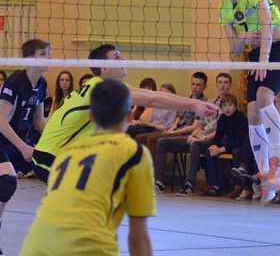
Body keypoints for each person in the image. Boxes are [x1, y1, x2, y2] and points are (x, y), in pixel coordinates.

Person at [31, 44, 218, 183]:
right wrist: (194, 105)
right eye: (117, 57)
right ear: (105, 68)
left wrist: (195, 103)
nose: (124, 58)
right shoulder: (101, 89)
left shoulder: (103, 85)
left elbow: (152, 95)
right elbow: (151, 100)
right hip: (50, 159)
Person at [20, 79, 155, 256]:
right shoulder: (132, 152)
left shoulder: (67, 154)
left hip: (34, 249)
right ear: (129, 117)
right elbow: (139, 240)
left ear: (90, 116)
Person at [209, 0, 280, 202]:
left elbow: (267, 26)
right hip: (256, 54)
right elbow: (234, 50)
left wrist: (263, 60)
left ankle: (277, 160)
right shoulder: (224, 10)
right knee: (251, 111)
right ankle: (264, 172)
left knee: (263, 96)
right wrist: (245, 36)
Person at [0, 39, 50, 253]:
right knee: (7, 182)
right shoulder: (15, 82)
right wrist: (23, 148)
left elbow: (39, 121)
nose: (49, 57)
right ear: (29, 59)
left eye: (49, 53)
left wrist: (57, 144)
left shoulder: (42, 83)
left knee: (53, 171)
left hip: (21, 139)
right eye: (44, 53)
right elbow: (0, 121)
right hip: (2, 140)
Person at [154, 72, 231, 194]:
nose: (222, 85)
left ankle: (189, 184)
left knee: (195, 144)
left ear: (230, 85)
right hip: (200, 136)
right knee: (162, 142)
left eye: (225, 82)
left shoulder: (231, 105)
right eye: (220, 82)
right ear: (216, 85)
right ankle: (158, 182)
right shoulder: (210, 103)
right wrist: (192, 135)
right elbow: (200, 125)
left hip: (213, 139)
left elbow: (222, 131)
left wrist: (202, 138)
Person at [204, 93, 248, 197]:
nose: (227, 108)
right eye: (224, 105)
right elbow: (218, 136)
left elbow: (239, 140)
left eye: (230, 105)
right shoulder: (223, 118)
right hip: (228, 145)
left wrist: (221, 149)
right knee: (209, 151)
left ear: (235, 106)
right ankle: (214, 185)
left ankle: (238, 186)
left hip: (241, 145)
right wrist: (215, 146)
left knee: (236, 152)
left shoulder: (240, 117)